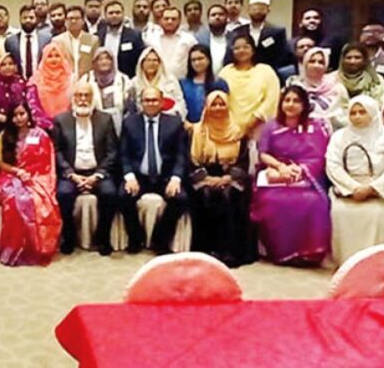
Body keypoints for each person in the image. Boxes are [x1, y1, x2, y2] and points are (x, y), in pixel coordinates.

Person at [327, 97, 384, 264]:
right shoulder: (339, 137)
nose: (357, 116)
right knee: (340, 212)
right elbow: (333, 166)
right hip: (349, 190)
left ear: (373, 113)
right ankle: (349, 263)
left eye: (362, 112)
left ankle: (382, 263)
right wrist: (354, 188)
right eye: (353, 113)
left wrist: (372, 189)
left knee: (379, 214)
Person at [252, 86, 332, 266]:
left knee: (313, 202)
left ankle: (308, 254)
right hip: (276, 172)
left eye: (296, 101)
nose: (290, 104)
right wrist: (280, 168)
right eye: (287, 100)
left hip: (307, 176)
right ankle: (281, 253)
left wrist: (300, 171)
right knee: (271, 201)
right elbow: (263, 153)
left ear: (304, 105)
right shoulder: (271, 126)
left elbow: (318, 157)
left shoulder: (315, 127)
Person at [53, 83, 126, 255]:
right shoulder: (61, 120)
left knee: (110, 194)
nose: (83, 100)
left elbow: (112, 152)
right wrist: (71, 175)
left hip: (98, 172)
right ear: (73, 98)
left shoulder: (105, 119)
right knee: (63, 194)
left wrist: (97, 175)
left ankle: (102, 237)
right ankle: (69, 236)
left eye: (87, 95)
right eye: (79, 95)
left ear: (93, 98)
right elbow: (57, 152)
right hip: (72, 173)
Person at [189, 91, 256, 267]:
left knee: (229, 195)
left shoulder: (238, 132)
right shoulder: (197, 132)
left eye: (222, 104)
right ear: (207, 107)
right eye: (214, 104)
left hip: (231, 176)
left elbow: (243, 161)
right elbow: (191, 161)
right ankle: (206, 251)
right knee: (205, 194)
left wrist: (228, 177)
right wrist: (207, 178)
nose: (218, 108)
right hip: (205, 175)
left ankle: (230, 252)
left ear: (228, 106)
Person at [120, 87, 190, 254]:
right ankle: (136, 238)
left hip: (165, 177)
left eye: (154, 100)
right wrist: (129, 177)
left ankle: (160, 240)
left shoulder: (174, 123)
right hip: (140, 177)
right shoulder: (129, 123)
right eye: (146, 100)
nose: (150, 103)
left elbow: (181, 155)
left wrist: (175, 178)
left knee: (181, 198)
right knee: (122, 196)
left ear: (161, 102)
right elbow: (124, 154)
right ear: (141, 102)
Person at [0, 101, 61, 266]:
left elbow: (47, 163)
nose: (19, 118)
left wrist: (31, 176)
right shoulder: (5, 135)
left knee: (37, 200)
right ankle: (13, 249)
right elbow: (1, 163)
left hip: (37, 176)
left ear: (28, 114)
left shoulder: (40, 135)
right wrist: (18, 172)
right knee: (13, 200)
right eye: (15, 115)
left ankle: (37, 248)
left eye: (22, 114)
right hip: (10, 176)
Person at [218, 35, 281, 136]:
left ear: (253, 50)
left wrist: (251, 123)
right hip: (229, 130)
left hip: (259, 129)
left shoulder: (266, 71)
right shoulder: (225, 72)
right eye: (237, 48)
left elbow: (272, 99)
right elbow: (219, 99)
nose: (241, 50)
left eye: (246, 47)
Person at [0, 53, 52, 131]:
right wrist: (3, 118)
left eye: (10, 64)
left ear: (15, 66)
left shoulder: (22, 82)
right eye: (3, 65)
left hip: (23, 124)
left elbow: (30, 104)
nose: (7, 67)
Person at [285, 47, 349, 130]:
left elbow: (346, 115)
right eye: (312, 61)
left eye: (321, 62)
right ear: (305, 64)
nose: (316, 65)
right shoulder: (294, 87)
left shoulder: (337, 88)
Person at [226, 0, 291, 71]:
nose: (257, 12)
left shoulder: (277, 32)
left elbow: (283, 56)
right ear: (248, 10)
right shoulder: (238, 31)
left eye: (261, 9)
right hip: (242, 71)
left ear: (268, 11)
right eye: (254, 9)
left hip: (269, 72)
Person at [77, 49, 134, 135]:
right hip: (94, 125)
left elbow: (129, 106)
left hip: (119, 124)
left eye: (107, 59)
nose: (104, 62)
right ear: (94, 62)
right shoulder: (86, 79)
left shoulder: (123, 80)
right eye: (100, 59)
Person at [179, 45, 228, 129]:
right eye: (193, 60)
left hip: (213, 129)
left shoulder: (219, 83)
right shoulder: (183, 84)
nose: (197, 63)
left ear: (208, 59)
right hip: (187, 129)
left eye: (200, 59)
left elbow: (224, 109)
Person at [131, 47, 186, 119]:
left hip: (169, 118)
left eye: (155, 60)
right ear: (142, 63)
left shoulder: (170, 79)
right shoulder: (134, 82)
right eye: (148, 60)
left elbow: (180, 102)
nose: (151, 63)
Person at [96, 0, 145, 78]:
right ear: (105, 15)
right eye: (111, 13)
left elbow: (141, 61)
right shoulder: (97, 36)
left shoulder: (134, 36)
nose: (114, 15)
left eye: (118, 12)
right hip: (102, 80)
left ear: (123, 15)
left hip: (128, 80)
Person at [145, 7, 197, 79]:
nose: (170, 21)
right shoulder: (151, 39)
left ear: (179, 21)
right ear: (160, 20)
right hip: (156, 80)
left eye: (173, 19)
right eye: (166, 19)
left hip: (181, 81)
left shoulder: (189, 39)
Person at [5, 4, 52, 79]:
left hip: (41, 81)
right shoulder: (10, 41)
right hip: (18, 82)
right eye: (25, 18)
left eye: (31, 17)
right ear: (20, 19)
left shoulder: (46, 39)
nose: (28, 20)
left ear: (36, 19)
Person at [31, 43, 74, 119]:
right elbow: (33, 105)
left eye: (57, 56)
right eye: (50, 56)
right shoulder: (37, 78)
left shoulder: (70, 77)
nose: (54, 59)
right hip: (43, 122)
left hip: (66, 121)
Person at [195, 4, 231, 75]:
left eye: (221, 14)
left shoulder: (234, 38)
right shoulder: (199, 38)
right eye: (213, 15)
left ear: (227, 18)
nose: (217, 17)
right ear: (208, 19)